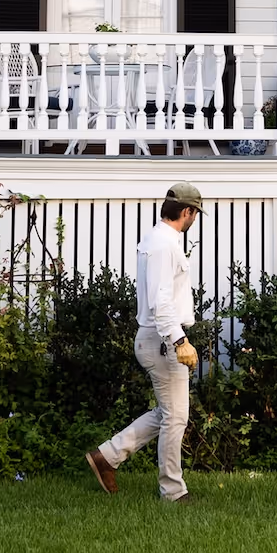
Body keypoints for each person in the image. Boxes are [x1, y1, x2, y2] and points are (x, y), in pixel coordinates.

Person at [86, 181, 204, 502]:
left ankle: (107, 456)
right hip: (163, 340)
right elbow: (161, 300)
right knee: (176, 417)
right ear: (186, 211)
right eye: (195, 213)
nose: (195, 219)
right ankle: (173, 491)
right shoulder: (165, 244)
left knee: (168, 413)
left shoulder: (158, 238)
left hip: (156, 338)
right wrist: (179, 340)